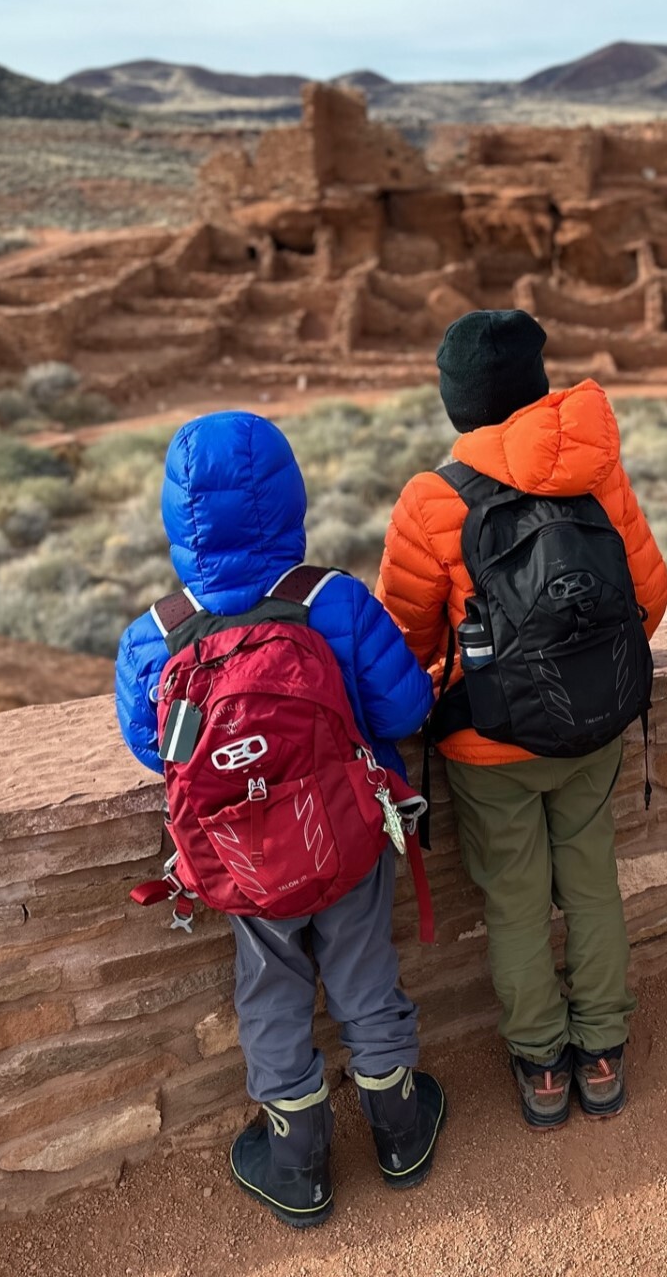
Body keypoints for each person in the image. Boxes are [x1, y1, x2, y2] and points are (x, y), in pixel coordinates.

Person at [115, 412, 440, 1228]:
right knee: (366, 972)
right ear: (291, 496)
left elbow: (154, 750)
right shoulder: (331, 600)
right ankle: (399, 1130)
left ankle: (298, 1163)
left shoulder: (154, 636)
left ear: (174, 516)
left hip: (242, 864)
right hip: (346, 839)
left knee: (269, 992)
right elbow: (404, 704)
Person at [379, 308, 667, 1129]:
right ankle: (604, 1051)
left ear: (456, 404)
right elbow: (650, 595)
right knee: (590, 885)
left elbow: (406, 643)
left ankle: (543, 1066)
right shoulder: (594, 468)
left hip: (490, 743)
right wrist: (589, 677)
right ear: (536, 389)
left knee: (512, 903)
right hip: (594, 731)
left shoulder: (430, 499)